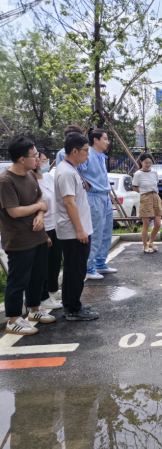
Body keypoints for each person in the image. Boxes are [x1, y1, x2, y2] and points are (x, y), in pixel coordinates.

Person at [0, 136, 55, 335]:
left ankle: (34, 310)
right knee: (18, 280)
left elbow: (40, 199)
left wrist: (40, 213)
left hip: (38, 236)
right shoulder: (6, 180)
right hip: (19, 239)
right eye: (34, 156)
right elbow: (13, 211)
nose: (38, 160)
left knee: (38, 276)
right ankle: (13, 320)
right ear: (22, 159)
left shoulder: (31, 175)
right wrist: (39, 207)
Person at [55, 133, 98, 321]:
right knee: (76, 271)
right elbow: (69, 203)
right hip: (74, 232)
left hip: (78, 230)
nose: (88, 154)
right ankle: (73, 309)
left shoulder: (72, 169)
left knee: (73, 270)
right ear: (74, 151)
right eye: (86, 150)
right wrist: (80, 230)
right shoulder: (65, 172)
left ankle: (71, 304)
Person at [81, 127, 116, 279]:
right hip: (94, 196)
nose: (108, 142)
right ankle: (89, 267)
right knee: (95, 232)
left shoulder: (101, 156)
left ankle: (101, 263)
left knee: (107, 231)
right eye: (105, 139)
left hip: (105, 196)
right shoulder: (88, 155)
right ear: (96, 140)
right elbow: (76, 169)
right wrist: (86, 184)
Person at [33, 151, 63, 310]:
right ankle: (43, 296)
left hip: (55, 224)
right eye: (42, 161)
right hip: (42, 226)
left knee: (55, 260)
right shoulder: (31, 181)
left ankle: (53, 289)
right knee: (43, 264)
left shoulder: (49, 177)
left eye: (46, 160)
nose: (45, 164)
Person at [133, 153, 162, 253]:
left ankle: (151, 242)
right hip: (145, 197)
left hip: (156, 196)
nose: (148, 164)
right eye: (146, 163)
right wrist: (144, 193)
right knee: (146, 224)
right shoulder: (138, 174)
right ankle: (145, 246)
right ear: (141, 162)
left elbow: (156, 183)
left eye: (150, 162)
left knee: (158, 223)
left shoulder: (154, 173)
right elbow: (135, 187)